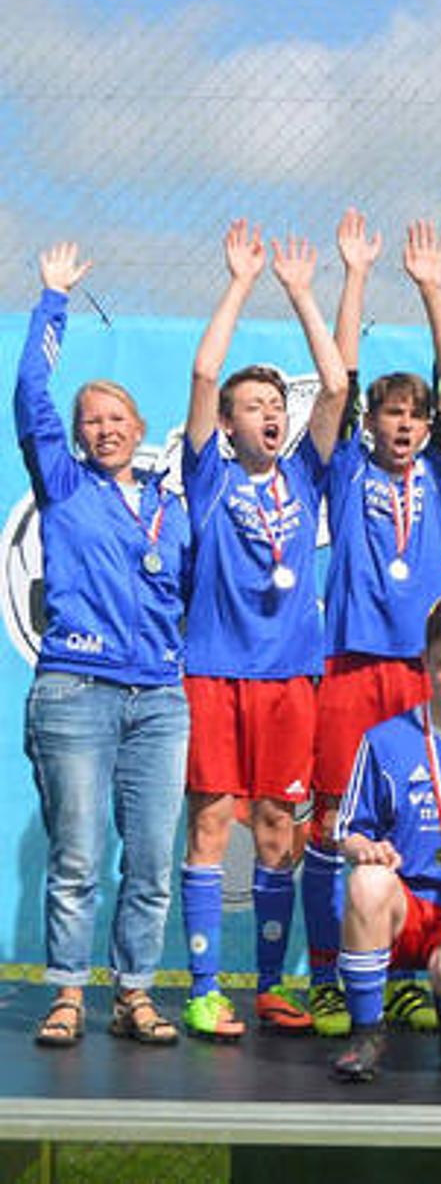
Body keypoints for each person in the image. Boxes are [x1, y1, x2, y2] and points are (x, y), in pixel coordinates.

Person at [17, 243, 192, 1048]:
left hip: (159, 699)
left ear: (140, 429)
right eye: (91, 419)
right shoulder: (63, 482)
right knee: (78, 856)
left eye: (116, 417)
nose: (103, 428)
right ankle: (66, 994)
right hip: (75, 690)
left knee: (151, 861)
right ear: (78, 435)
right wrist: (52, 299)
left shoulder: (169, 504)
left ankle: (134, 994)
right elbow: (31, 393)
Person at [302, 213, 441, 1038]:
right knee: (333, 821)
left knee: (409, 821)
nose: (404, 424)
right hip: (349, 665)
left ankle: (401, 973)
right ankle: (325, 977)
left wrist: (435, 290)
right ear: (370, 422)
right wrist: (357, 277)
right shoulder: (343, 469)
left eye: (414, 414)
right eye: (390, 413)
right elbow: (338, 377)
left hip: (418, 670)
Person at [180, 221, 348, 1039]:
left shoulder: (305, 477)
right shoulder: (208, 474)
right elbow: (204, 371)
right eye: (254, 407)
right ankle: (204, 987)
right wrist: (242, 283)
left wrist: (303, 293)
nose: (270, 415)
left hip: (289, 681)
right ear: (228, 424)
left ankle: (273, 986)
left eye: (277, 406)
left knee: (282, 832)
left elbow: (337, 386)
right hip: (215, 674)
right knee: (213, 826)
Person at [328, 594, 441, 1082]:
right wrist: (365, 848)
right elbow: (347, 831)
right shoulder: (385, 740)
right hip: (406, 906)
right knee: (366, 881)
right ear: (425, 661)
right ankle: (367, 1032)